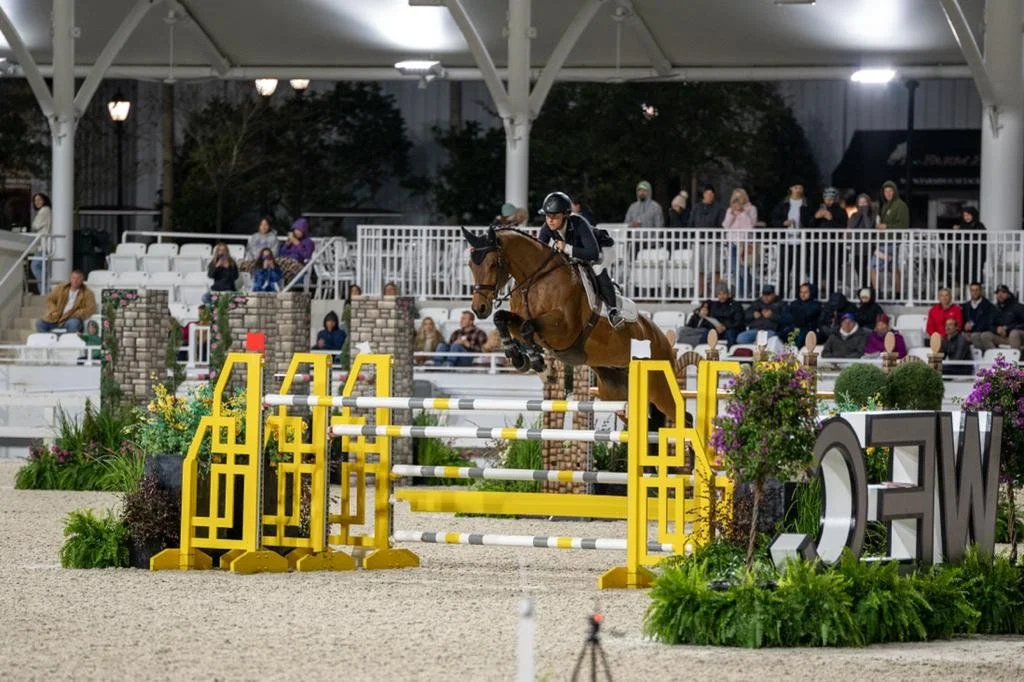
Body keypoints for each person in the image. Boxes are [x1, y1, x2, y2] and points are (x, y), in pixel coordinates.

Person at [537, 191, 623, 328]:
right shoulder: (547, 227)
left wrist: (566, 248)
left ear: (565, 215)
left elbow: (593, 254)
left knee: (597, 268)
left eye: (554, 216)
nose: (550, 220)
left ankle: (613, 311)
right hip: (579, 252)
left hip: (603, 249)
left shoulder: (579, 223)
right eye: (547, 216)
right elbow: (539, 252)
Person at [771, 182, 814, 290]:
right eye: (796, 187)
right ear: (791, 188)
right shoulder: (783, 203)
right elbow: (774, 219)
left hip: (801, 242)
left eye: (800, 187)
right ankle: (781, 295)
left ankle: (797, 295)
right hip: (785, 241)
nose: (798, 190)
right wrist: (783, 223)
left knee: (799, 271)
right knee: (783, 270)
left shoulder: (807, 203)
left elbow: (811, 221)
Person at [688, 184, 726, 295]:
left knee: (715, 269)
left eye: (711, 193)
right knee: (700, 269)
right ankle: (702, 292)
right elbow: (691, 223)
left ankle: (717, 293)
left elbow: (721, 225)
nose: (709, 196)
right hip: (698, 242)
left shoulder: (719, 208)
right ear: (703, 195)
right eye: (707, 193)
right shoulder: (696, 207)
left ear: (714, 195)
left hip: (712, 243)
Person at [872, 181, 909, 293]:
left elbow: (904, 225)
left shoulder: (900, 205)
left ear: (895, 192)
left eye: (890, 191)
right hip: (883, 242)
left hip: (893, 242)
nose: (888, 193)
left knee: (873, 266)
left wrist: (886, 226)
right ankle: (892, 293)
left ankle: (881, 294)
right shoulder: (885, 206)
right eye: (885, 191)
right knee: (892, 269)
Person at [35, 269, 97, 333]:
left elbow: (91, 308)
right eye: (73, 278)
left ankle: (66, 341)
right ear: (70, 279)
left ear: (82, 280)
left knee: (74, 323)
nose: (75, 280)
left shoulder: (87, 293)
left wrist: (77, 313)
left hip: (70, 319)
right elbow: (50, 299)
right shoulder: (61, 288)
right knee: (39, 323)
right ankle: (50, 341)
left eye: (78, 279)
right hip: (56, 318)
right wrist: (53, 310)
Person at [722, 188, 757, 299]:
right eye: (736, 197)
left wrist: (742, 212)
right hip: (732, 242)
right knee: (735, 269)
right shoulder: (729, 210)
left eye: (740, 197)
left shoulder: (751, 209)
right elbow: (725, 225)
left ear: (745, 197)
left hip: (744, 242)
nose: (738, 200)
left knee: (742, 268)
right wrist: (732, 213)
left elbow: (750, 227)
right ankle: (743, 294)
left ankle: (750, 290)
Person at [813, 187, 846, 296]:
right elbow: (810, 225)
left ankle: (831, 295)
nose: (829, 201)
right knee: (816, 270)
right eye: (826, 198)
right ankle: (815, 293)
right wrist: (815, 217)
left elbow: (841, 228)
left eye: (831, 199)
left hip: (833, 246)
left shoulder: (841, 211)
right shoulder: (818, 209)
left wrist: (829, 218)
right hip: (818, 245)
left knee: (832, 271)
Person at [971, 284, 1024, 350]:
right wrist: (996, 329)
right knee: (985, 335)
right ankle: (996, 357)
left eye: (1003, 292)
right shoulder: (994, 308)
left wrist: (1007, 329)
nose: (1000, 295)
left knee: (1014, 333)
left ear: (1008, 294)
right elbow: (989, 325)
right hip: (1003, 337)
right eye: (998, 293)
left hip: (1017, 336)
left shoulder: (1018, 307)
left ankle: (1015, 358)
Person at [949, 206, 986, 294]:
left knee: (974, 277)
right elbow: (956, 239)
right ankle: (962, 296)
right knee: (962, 275)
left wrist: (960, 229)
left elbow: (979, 237)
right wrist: (956, 231)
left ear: (973, 215)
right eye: (965, 215)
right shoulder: (962, 225)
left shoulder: (979, 225)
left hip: (976, 255)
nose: (966, 217)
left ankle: (975, 295)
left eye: (969, 215)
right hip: (964, 255)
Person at [846, 193, 875, 290]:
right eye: (860, 202)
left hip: (868, 249)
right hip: (856, 248)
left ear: (868, 203)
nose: (862, 205)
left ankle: (868, 291)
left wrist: (865, 214)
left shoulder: (872, 215)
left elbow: (869, 227)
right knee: (858, 270)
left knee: (866, 272)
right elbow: (852, 226)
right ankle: (865, 291)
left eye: (864, 202)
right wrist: (859, 214)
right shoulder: (854, 215)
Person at [779, 282, 822, 348]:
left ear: (811, 293)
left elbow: (804, 318)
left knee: (800, 335)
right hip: (792, 328)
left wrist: (795, 316)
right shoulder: (794, 303)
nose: (803, 294)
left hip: (807, 330)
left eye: (806, 292)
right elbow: (783, 317)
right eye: (801, 292)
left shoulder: (815, 305)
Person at [30, 192, 52, 291]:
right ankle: (45, 290)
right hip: (43, 245)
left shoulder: (44, 210)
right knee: (42, 269)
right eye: (35, 200)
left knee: (35, 266)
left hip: (44, 245)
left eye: (39, 200)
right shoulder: (46, 210)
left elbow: (35, 226)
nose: (37, 202)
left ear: (44, 200)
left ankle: (44, 290)